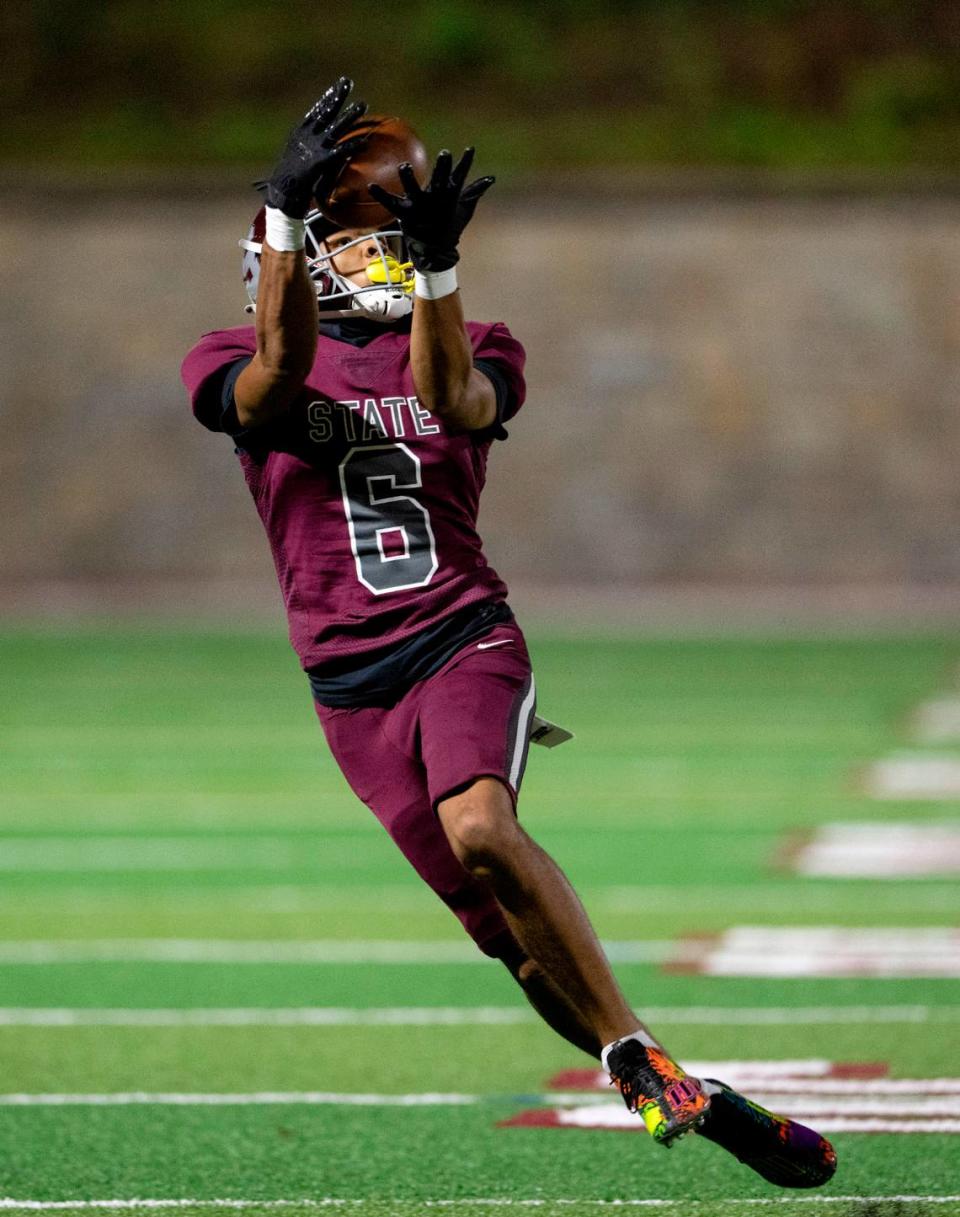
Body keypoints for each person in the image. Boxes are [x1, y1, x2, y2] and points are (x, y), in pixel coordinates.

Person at [181, 78, 836, 1189]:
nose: (375, 251)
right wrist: (295, 217)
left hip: (459, 633)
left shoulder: (473, 335)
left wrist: (437, 271)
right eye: (356, 232)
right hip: (350, 687)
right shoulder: (226, 357)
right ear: (290, 250)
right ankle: (683, 1078)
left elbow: (455, 400)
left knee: (485, 825)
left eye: (391, 235)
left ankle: (633, 1051)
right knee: (512, 944)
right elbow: (277, 377)